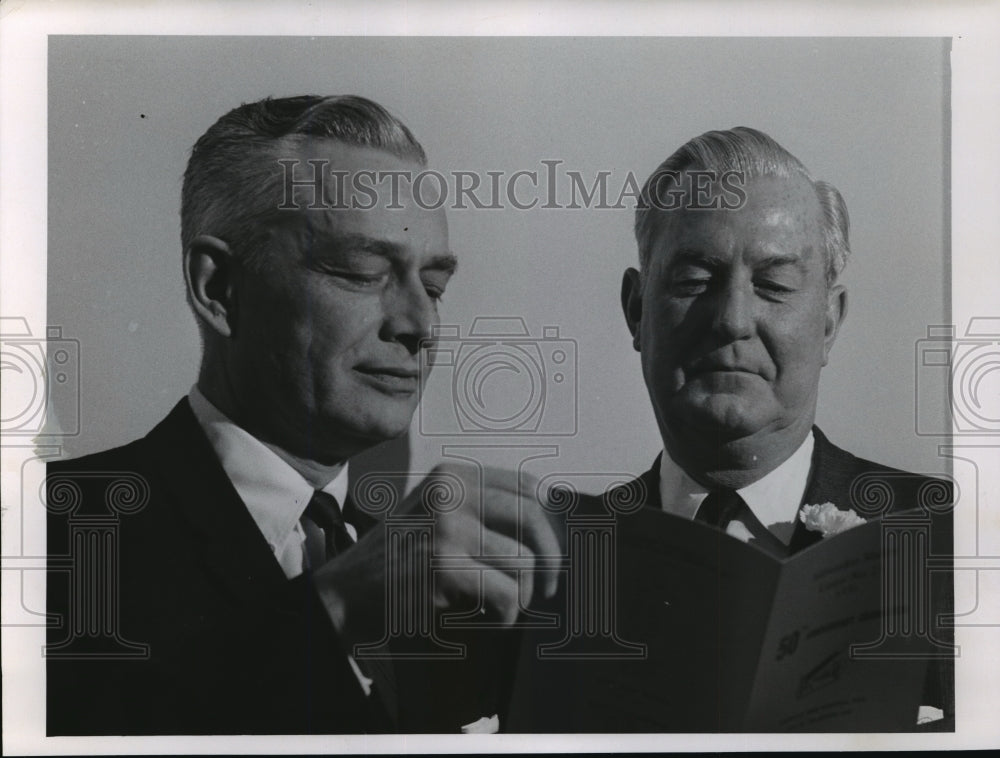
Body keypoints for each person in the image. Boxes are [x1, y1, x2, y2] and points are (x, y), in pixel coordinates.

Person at [45, 95, 559, 736]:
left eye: (434, 286)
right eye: (363, 271)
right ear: (220, 290)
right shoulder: (54, 531)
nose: (420, 325)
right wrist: (338, 603)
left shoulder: (434, 581)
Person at [507, 127, 954, 732]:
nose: (733, 320)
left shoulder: (952, 546)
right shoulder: (547, 569)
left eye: (773, 285)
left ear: (829, 321)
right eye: (695, 280)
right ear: (637, 310)